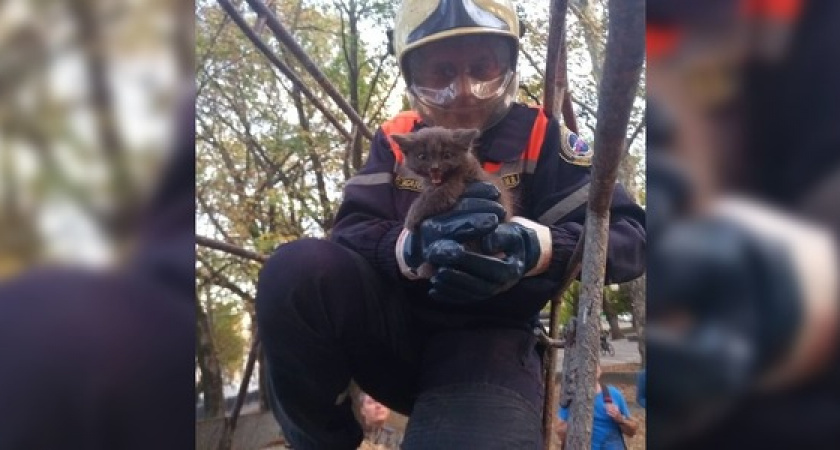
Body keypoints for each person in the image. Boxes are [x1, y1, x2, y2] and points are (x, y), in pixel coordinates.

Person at [255, 0, 646, 448]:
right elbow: (351, 231)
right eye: (441, 73)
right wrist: (407, 247)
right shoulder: (399, 138)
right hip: (393, 330)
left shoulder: (540, 134)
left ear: (508, 67)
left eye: (482, 68)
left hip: (490, 339)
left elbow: (630, 235)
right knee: (293, 269)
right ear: (413, 77)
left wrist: (536, 246)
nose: (463, 91)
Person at [555, 364, 639, 450]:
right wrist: (577, 420)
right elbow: (560, 431)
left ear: (600, 371)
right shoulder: (571, 398)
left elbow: (632, 431)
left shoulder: (614, 394)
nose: (590, 370)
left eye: (595, 365)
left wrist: (620, 420)